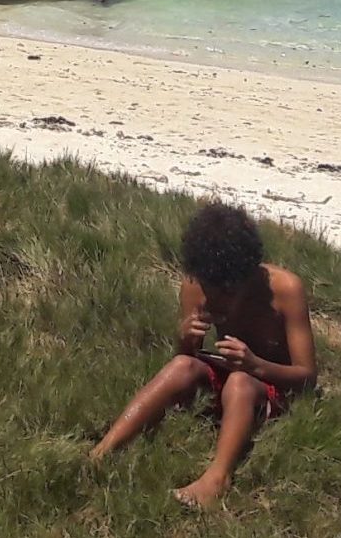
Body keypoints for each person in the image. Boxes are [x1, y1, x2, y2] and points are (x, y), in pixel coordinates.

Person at [89, 203, 316, 509]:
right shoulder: (196, 286)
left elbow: (307, 377)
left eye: (226, 292)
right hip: (229, 378)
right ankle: (102, 453)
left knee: (239, 383)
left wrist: (256, 366)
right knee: (182, 366)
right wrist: (185, 340)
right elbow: (187, 359)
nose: (215, 299)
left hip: (270, 386)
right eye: (211, 290)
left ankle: (217, 479)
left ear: (246, 276)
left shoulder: (286, 289)